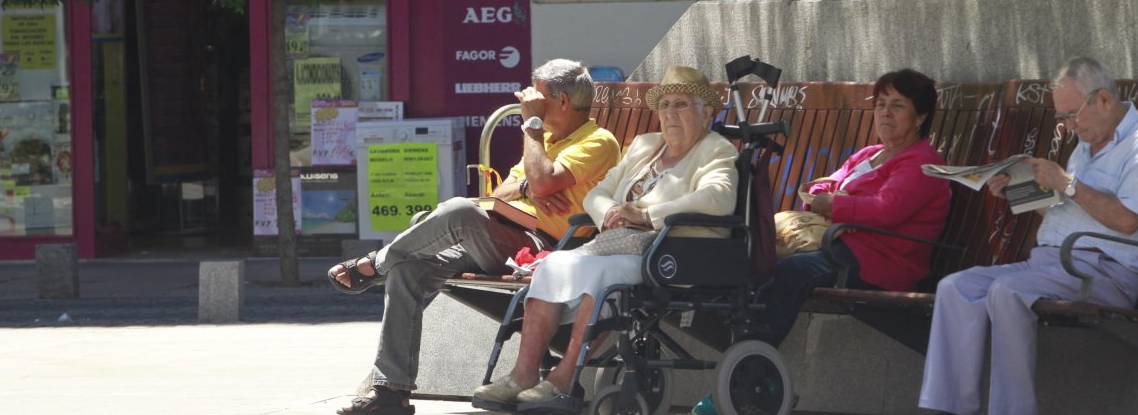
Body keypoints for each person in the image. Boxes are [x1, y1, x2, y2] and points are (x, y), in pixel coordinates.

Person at [330, 59, 620, 415]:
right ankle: (392, 391)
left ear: (561, 102)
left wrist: (531, 135)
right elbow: (507, 189)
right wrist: (532, 185)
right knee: (409, 271)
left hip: (544, 246)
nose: (525, 98)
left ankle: (376, 264)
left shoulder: (597, 141)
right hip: (503, 233)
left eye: (536, 94)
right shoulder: (546, 141)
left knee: (459, 211)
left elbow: (542, 182)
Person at [473, 65, 738, 412]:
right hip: (621, 243)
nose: (671, 113)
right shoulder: (646, 145)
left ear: (706, 112)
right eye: (665, 105)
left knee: (602, 276)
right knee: (553, 265)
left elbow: (718, 198)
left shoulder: (716, 150)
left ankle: (563, 379)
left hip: (675, 252)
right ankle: (523, 375)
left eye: (682, 104)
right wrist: (611, 215)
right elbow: (598, 194)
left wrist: (645, 215)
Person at [692, 68, 951, 415]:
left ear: (920, 116)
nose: (885, 113)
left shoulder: (924, 162)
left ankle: (746, 379)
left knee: (792, 271)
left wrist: (836, 204)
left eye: (898, 106)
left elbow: (888, 209)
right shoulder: (869, 155)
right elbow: (823, 186)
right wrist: (824, 197)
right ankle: (752, 372)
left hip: (883, 261)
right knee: (754, 255)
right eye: (881, 104)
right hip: (843, 247)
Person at [919, 56, 1138, 415]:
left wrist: (1068, 184)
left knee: (1008, 292)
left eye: (1073, 114)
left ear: (1104, 99)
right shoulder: (1087, 145)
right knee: (955, 287)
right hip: (1050, 263)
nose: (1069, 125)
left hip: (1103, 273)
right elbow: (1070, 214)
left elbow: (1127, 221)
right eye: (1062, 117)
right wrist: (1018, 190)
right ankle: (950, 408)